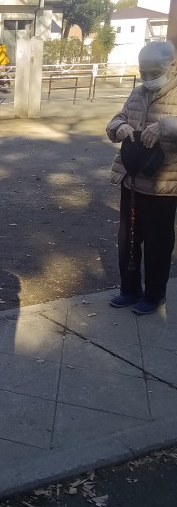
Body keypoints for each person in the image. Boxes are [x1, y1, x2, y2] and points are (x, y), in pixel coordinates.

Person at [106, 40, 177, 315]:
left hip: (163, 185)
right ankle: (130, 289)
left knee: (158, 243)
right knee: (128, 240)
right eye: (142, 72)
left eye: (153, 73)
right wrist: (120, 127)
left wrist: (164, 126)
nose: (147, 78)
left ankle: (155, 295)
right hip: (132, 179)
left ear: (171, 66)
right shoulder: (137, 92)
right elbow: (116, 119)